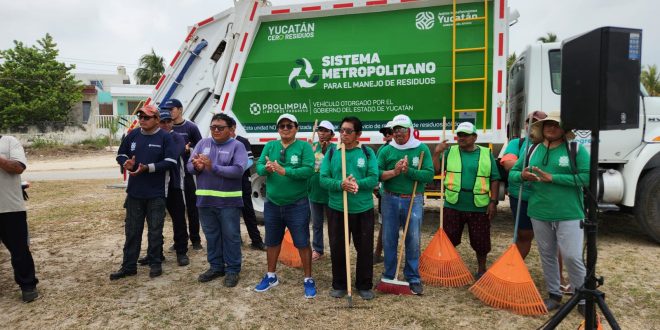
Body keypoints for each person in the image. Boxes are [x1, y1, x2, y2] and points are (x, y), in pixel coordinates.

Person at [509, 112, 588, 312]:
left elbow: (588, 178)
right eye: (548, 125)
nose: (551, 128)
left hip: (570, 212)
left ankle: (583, 296)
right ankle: (554, 294)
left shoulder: (575, 149)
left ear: (564, 129)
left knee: (571, 256)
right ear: (542, 129)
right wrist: (523, 176)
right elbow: (513, 174)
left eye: (556, 124)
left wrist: (554, 178)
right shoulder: (531, 149)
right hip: (539, 212)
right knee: (547, 255)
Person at [254, 113, 316, 298]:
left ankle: (308, 278)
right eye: (282, 126)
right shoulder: (270, 146)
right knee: (272, 241)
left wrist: (284, 170)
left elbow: (308, 170)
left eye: (289, 125)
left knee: (302, 242)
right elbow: (258, 165)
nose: (286, 129)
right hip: (272, 203)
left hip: (297, 203)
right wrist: (266, 169)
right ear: (278, 129)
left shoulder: (304, 146)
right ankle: (271, 275)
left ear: (296, 128)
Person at [111, 105, 176, 280]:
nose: (142, 120)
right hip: (134, 193)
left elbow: (171, 161)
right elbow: (120, 154)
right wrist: (126, 163)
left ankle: (155, 263)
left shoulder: (164, 137)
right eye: (140, 117)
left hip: (156, 193)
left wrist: (147, 168)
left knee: (155, 230)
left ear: (156, 120)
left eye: (146, 117)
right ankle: (128, 266)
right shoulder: (133, 134)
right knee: (132, 230)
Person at [320, 116, 379, 300]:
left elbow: (374, 177)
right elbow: (323, 178)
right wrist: (341, 185)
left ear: (358, 134)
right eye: (342, 130)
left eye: (348, 131)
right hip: (337, 208)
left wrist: (356, 184)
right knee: (338, 248)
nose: (343, 134)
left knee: (365, 248)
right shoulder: (332, 153)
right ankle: (339, 284)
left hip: (363, 209)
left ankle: (364, 285)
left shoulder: (367, 153)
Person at [432, 122, 500, 279]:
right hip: (453, 203)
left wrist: (493, 202)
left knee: (481, 241)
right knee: (450, 239)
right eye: (459, 135)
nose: (461, 138)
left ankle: (481, 268)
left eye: (465, 135)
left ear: (474, 137)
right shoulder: (449, 152)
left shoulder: (486, 153)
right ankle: (448, 266)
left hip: (479, 205)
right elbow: (436, 170)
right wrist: (436, 153)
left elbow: (495, 179)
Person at [187, 113, 248, 287]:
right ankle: (216, 267)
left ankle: (232, 270)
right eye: (213, 127)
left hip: (229, 203)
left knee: (231, 237)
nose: (215, 130)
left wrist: (212, 167)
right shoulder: (202, 143)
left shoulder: (238, 146)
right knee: (211, 236)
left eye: (220, 128)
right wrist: (196, 167)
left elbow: (237, 171)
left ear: (230, 129)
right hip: (205, 201)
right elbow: (189, 165)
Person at [377, 114, 435, 295]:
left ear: (410, 131)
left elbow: (429, 175)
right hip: (390, 198)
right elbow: (376, 173)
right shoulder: (386, 150)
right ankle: (389, 273)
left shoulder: (421, 148)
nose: (398, 134)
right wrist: (394, 172)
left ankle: (413, 277)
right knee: (389, 238)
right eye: (395, 130)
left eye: (402, 130)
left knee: (413, 239)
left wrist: (408, 171)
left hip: (413, 198)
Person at [136, 110, 189, 267]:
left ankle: (181, 252)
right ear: (158, 121)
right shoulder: (151, 137)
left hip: (174, 185)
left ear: (172, 122)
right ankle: (155, 253)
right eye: (163, 121)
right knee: (154, 222)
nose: (166, 124)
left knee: (179, 220)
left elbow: (172, 155)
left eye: (168, 121)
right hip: (155, 186)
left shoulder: (177, 137)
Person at [500, 111, 547, 259]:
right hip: (521, 196)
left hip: (546, 197)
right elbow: (508, 164)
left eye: (537, 122)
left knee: (551, 239)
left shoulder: (553, 145)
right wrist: (536, 168)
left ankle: (559, 278)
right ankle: (514, 269)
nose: (532, 125)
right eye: (529, 121)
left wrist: (522, 165)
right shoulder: (517, 143)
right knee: (524, 234)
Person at [160, 98, 204, 251]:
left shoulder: (190, 127)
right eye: (166, 109)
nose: (169, 112)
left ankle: (196, 240)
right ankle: (179, 240)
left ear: (180, 109)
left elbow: (201, 147)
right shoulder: (162, 128)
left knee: (192, 207)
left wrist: (189, 150)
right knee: (177, 211)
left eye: (171, 109)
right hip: (170, 175)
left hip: (187, 173)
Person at [0, 135, 39, 302]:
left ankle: (28, 285)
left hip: (9, 208)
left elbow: (18, 168)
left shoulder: (9, 142)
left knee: (19, 250)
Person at [230, 130, 266, 251]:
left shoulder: (242, 141)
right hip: (228, 185)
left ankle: (256, 241)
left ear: (233, 128)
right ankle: (236, 240)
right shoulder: (222, 143)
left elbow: (250, 161)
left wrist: (234, 171)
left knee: (248, 213)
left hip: (242, 182)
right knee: (231, 214)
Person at [308, 120, 336, 261]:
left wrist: (325, 151)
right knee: (317, 223)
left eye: (325, 131)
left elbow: (336, 168)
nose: (322, 133)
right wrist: (306, 151)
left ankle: (335, 249)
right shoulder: (311, 146)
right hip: (314, 192)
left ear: (331, 134)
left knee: (333, 224)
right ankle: (318, 249)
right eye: (320, 130)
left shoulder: (336, 149)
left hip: (330, 193)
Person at [373, 122, 393, 263]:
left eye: (389, 132)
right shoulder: (382, 149)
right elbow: (376, 170)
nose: (386, 135)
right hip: (385, 194)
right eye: (385, 133)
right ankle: (377, 253)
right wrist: (376, 187)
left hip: (404, 195)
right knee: (384, 224)